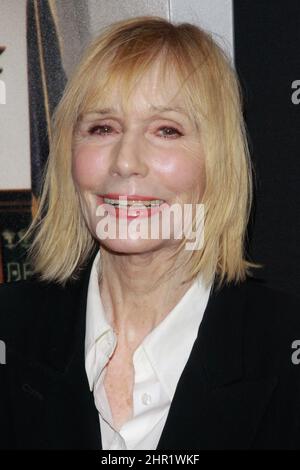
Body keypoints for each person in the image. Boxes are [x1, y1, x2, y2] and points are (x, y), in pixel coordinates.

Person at [0, 16, 300, 451]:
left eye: (166, 130)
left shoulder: (283, 349)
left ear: (217, 162)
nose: (126, 161)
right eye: (103, 128)